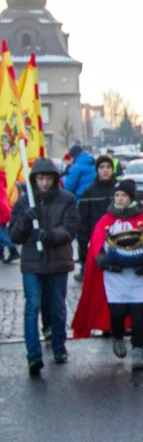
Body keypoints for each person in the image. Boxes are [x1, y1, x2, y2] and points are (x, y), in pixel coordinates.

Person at [72, 179, 143, 371]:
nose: (119, 199)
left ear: (131, 198)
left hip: (137, 276)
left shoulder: (142, 222)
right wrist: (104, 263)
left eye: (123, 196)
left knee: (138, 314)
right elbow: (97, 246)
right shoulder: (106, 221)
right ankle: (118, 336)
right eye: (117, 195)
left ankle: (138, 348)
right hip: (115, 276)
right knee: (117, 312)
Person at [8, 157, 79, 375]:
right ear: (34, 179)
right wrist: (25, 221)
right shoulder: (24, 202)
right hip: (32, 264)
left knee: (57, 308)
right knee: (32, 308)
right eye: (40, 178)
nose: (44, 183)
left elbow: (70, 229)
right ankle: (34, 356)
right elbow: (14, 235)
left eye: (48, 178)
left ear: (55, 178)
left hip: (58, 262)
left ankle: (59, 347)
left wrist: (49, 235)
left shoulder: (67, 199)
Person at [75, 154, 119, 281]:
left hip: (118, 238)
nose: (105, 170)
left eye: (108, 167)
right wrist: (83, 246)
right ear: (97, 170)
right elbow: (83, 222)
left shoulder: (120, 189)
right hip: (97, 238)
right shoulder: (89, 192)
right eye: (101, 167)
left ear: (112, 169)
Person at [62, 144, 97, 212]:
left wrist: (64, 178)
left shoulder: (76, 167)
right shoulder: (93, 163)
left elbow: (68, 188)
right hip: (95, 201)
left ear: (72, 157)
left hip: (81, 202)